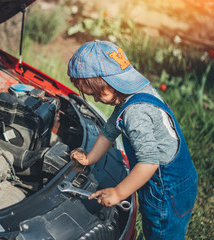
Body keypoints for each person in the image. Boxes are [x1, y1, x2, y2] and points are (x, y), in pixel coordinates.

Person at [67, 40, 198, 240]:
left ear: (106, 84)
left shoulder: (135, 112)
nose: (93, 99)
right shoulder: (134, 92)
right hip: (176, 179)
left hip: (166, 191)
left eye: (94, 93)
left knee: (161, 233)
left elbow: (149, 162)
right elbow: (109, 131)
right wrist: (90, 158)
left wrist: (118, 193)